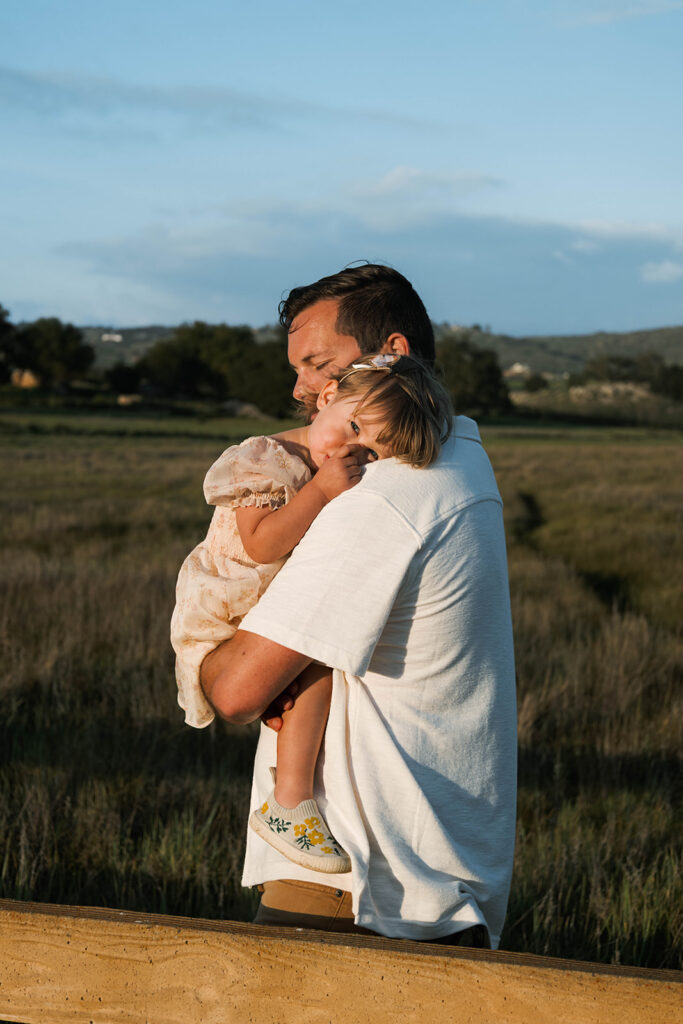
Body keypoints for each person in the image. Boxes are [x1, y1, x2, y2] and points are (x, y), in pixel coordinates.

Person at [201, 264, 517, 949]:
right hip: (438, 877)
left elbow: (236, 691)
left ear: (392, 354)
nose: (300, 390)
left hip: (361, 886)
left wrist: (203, 650)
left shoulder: (383, 495)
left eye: (319, 365)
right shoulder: (461, 459)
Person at [171, 350, 453, 877]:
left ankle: (292, 796)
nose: (349, 451)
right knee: (318, 656)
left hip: (258, 608)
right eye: (352, 427)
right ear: (326, 397)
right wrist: (321, 492)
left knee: (316, 660)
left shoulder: (324, 467)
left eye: (369, 451)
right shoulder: (263, 458)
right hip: (223, 608)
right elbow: (259, 545)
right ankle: (290, 801)